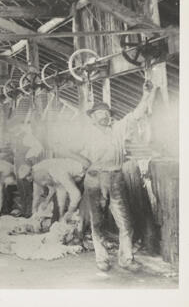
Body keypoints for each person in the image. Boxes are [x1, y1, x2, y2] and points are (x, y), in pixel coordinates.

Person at [61, 82, 157, 272]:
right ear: (93, 118)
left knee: (125, 221)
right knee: (97, 221)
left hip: (115, 178)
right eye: (99, 114)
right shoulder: (86, 133)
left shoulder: (118, 129)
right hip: (95, 179)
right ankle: (102, 258)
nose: (104, 116)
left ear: (110, 115)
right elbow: (67, 149)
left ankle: (126, 259)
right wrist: (85, 162)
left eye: (106, 113)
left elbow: (137, 114)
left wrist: (146, 94)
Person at [17, 158, 86, 222]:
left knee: (78, 206)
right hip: (61, 175)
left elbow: (76, 194)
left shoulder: (59, 174)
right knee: (58, 213)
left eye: (28, 176)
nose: (28, 179)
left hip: (81, 173)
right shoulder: (38, 174)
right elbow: (59, 192)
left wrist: (70, 212)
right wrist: (60, 214)